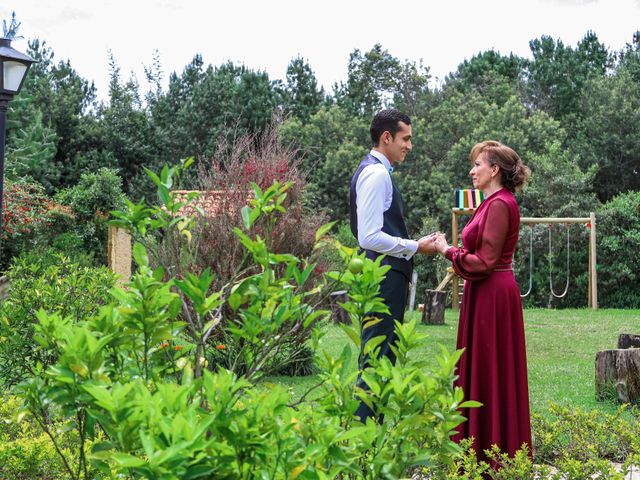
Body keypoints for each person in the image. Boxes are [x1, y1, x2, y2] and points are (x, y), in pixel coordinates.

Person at [433, 140, 532, 465]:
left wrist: (448, 250)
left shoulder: (501, 204)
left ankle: (493, 457)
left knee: (492, 371)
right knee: (483, 370)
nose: (472, 170)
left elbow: (486, 260)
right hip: (484, 293)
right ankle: (480, 452)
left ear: (494, 170)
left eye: (478, 165)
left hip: (493, 295)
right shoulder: (490, 203)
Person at [349, 108, 437, 422]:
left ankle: (370, 438)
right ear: (387, 137)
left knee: (382, 358)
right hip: (383, 277)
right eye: (406, 138)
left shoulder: (379, 171)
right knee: (377, 360)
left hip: (386, 275)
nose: (409, 146)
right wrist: (415, 246)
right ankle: (364, 442)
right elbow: (369, 236)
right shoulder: (376, 174)